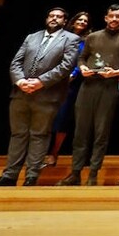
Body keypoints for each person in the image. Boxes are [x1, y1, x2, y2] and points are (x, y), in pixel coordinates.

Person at [0, 8, 81, 187]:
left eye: (58, 17)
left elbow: (66, 66)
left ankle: (31, 176)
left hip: (47, 95)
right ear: (46, 18)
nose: (54, 19)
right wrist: (20, 81)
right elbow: (16, 62)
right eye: (51, 16)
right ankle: (9, 176)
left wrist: (40, 82)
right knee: (17, 134)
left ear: (65, 21)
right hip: (21, 92)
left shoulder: (71, 39)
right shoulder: (32, 37)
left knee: (39, 135)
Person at [57, 4, 119, 186]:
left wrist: (117, 72)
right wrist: (83, 68)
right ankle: (75, 173)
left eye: (118, 16)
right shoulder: (93, 37)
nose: (114, 19)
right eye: (111, 16)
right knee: (80, 132)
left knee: (101, 133)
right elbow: (82, 57)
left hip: (108, 89)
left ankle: (93, 174)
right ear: (106, 18)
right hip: (88, 87)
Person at [45, 10, 91, 167]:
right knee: (45, 118)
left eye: (85, 21)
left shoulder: (87, 41)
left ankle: (54, 153)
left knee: (62, 119)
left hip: (72, 84)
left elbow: (83, 60)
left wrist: (74, 74)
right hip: (51, 81)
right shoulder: (60, 36)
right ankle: (38, 153)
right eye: (80, 19)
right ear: (72, 21)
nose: (82, 22)